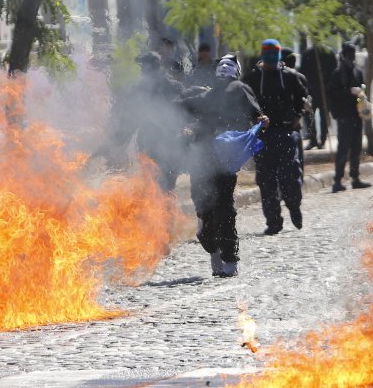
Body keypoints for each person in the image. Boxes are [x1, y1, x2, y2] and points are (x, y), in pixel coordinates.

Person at [182, 57, 267, 277]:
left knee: (221, 208)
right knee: (210, 208)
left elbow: (255, 113)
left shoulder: (239, 89)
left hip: (223, 159)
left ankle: (228, 259)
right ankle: (219, 254)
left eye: (228, 65)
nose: (224, 68)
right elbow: (190, 111)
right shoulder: (207, 94)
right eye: (221, 64)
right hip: (203, 158)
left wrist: (261, 120)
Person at [243, 39, 308, 235]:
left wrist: (298, 115)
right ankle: (273, 221)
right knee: (266, 180)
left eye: (275, 53)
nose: (271, 57)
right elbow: (245, 102)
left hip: (287, 133)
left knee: (290, 178)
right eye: (267, 52)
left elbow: (304, 99)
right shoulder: (253, 79)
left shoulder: (290, 77)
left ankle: (294, 207)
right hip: (264, 137)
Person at [132, 51, 186, 192]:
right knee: (156, 185)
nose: (142, 70)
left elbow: (185, 113)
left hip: (167, 142)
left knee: (162, 185)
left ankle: (164, 210)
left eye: (144, 66)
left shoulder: (174, 87)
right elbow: (130, 117)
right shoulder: (140, 89)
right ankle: (161, 210)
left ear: (151, 68)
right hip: (151, 142)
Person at [328, 43, 373, 193]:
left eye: (353, 54)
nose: (351, 58)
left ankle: (355, 178)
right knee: (343, 149)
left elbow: (362, 89)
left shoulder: (357, 72)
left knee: (356, 147)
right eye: (349, 54)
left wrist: (361, 94)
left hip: (356, 115)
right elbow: (333, 95)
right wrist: (348, 92)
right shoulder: (336, 73)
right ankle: (338, 180)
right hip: (344, 116)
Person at [299, 45, 337, 149]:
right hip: (311, 91)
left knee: (324, 116)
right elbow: (302, 73)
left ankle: (323, 139)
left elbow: (334, 72)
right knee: (309, 115)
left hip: (325, 91)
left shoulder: (329, 53)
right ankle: (313, 139)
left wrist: (329, 86)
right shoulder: (307, 53)